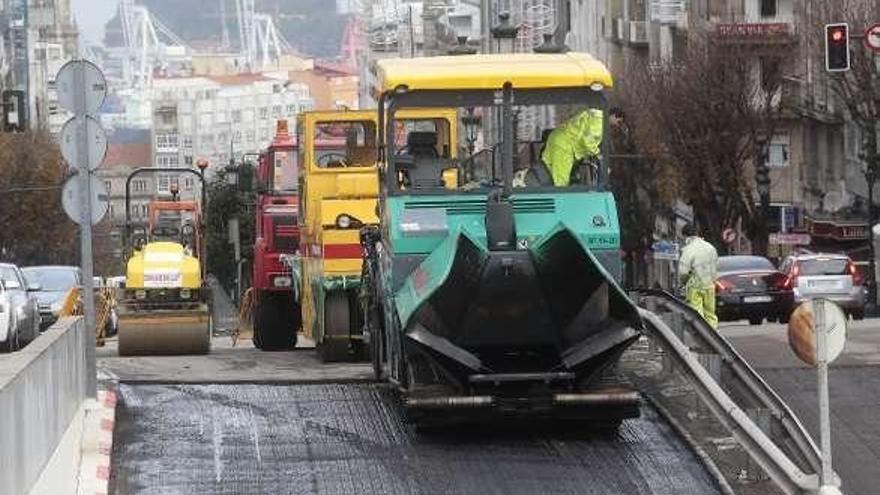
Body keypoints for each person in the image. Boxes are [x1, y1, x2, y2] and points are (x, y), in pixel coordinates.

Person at [540, 108, 604, 186]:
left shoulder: (594, 115)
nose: (617, 125)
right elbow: (587, 141)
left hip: (558, 138)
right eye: (619, 122)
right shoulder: (601, 122)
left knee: (554, 175)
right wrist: (597, 153)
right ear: (614, 116)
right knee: (561, 182)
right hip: (565, 145)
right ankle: (562, 197)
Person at [678, 223, 719, 329]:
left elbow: (683, 272)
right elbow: (715, 268)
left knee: (697, 314)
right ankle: (714, 336)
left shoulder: (688, 249)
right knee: (710, 313)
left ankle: (702, 336)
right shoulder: (710, 247)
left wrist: (684, 282)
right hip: (710, 285)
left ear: (685, 236)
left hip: (694, 286)